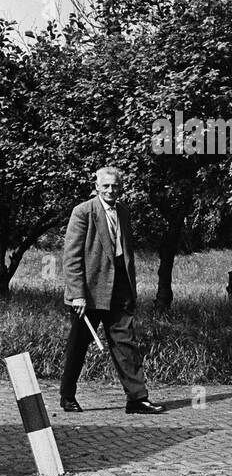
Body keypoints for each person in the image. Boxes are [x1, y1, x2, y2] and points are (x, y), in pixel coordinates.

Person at [59, 167, 164, 415]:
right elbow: (71, 257)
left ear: (121, 188)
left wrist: (131, 290)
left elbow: (125, 254)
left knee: (126, 343)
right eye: (105, 186)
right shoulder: (83, 212)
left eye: (115, 186)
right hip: (89, 292)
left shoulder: (124, 212)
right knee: (78, 345)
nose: (110, 190)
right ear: (96, 187)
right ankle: (67, 396)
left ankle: (137, 399)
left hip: (119, 289)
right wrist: (78, 294)